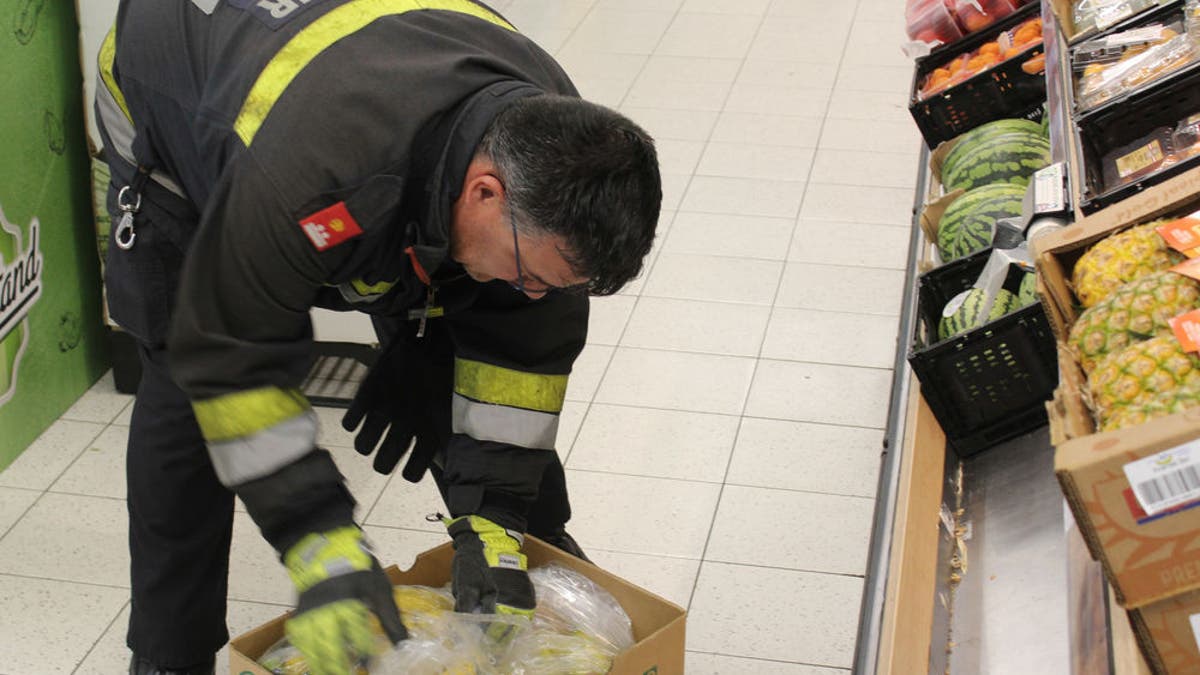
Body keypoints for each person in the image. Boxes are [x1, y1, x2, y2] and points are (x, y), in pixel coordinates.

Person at [93, 2, 661, 674]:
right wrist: (321, 543)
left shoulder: (556, 152)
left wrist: (497, 519)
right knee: (186, 392)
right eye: (533, 274)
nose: (536, 293)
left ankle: (528, 566)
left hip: (367, 111)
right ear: (484, 190)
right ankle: (168, 656)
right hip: (178, 120)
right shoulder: (314, 171)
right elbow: (228, 354)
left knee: (474, 324)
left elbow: (523, 355)